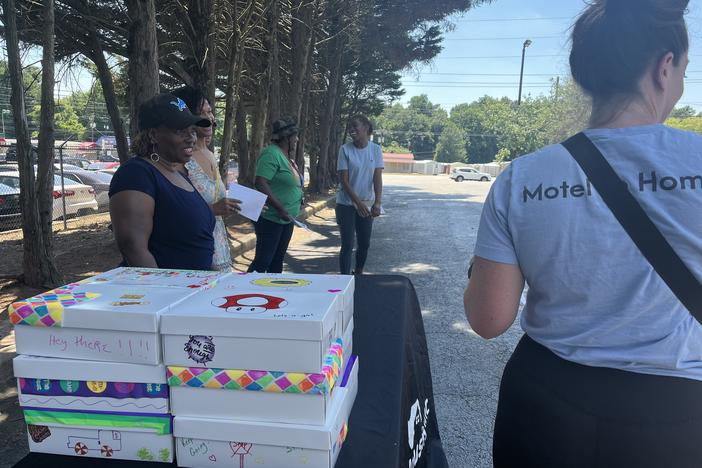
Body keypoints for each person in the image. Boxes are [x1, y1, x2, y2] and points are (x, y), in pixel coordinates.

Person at [464, 1, 702, 466]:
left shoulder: (523, 176)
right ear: (664, 66)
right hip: (678, 414)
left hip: (544, 404)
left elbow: (488, 320)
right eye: (684, 73)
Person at [109, 93, 218, 270]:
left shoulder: (178, 173)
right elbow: (133, 249)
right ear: (153, 135)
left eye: (192, 130)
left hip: (198, 290)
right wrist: (164, 292)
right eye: (180, 131)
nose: (191, 137)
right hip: (169, 293)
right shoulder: (136, 174)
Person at [171, 86, 240, 271]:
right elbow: (172, 213)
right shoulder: (179, 160)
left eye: (210, 111)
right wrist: (212, 209)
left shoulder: (209, 154)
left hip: (220, 247)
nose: (209, 118)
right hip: (195, 255)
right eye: (201, 113)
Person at [247, 117, 304, 273]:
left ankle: (273, 292)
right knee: (263, 261)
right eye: (294, 136)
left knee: (277, 260)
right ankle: (245, 288)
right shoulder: (271, 154)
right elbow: (261, 182)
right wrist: (279, 208)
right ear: (286, 138)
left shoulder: (286, 156)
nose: (297, 139)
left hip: (286, 219)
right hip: (271, 218)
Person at [335, 115, 384, 275]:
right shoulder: (345, 149)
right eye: (350, 127)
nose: (352, 130)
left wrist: (377, 202)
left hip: (366, 203)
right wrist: (358, 203)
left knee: (364, 243)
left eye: (355, 126)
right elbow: (344, 180)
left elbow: (377, 178)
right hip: (346, 204)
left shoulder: (375, 150)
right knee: (348, 244)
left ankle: (359, 273)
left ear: (366, 128)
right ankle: (344, 279)